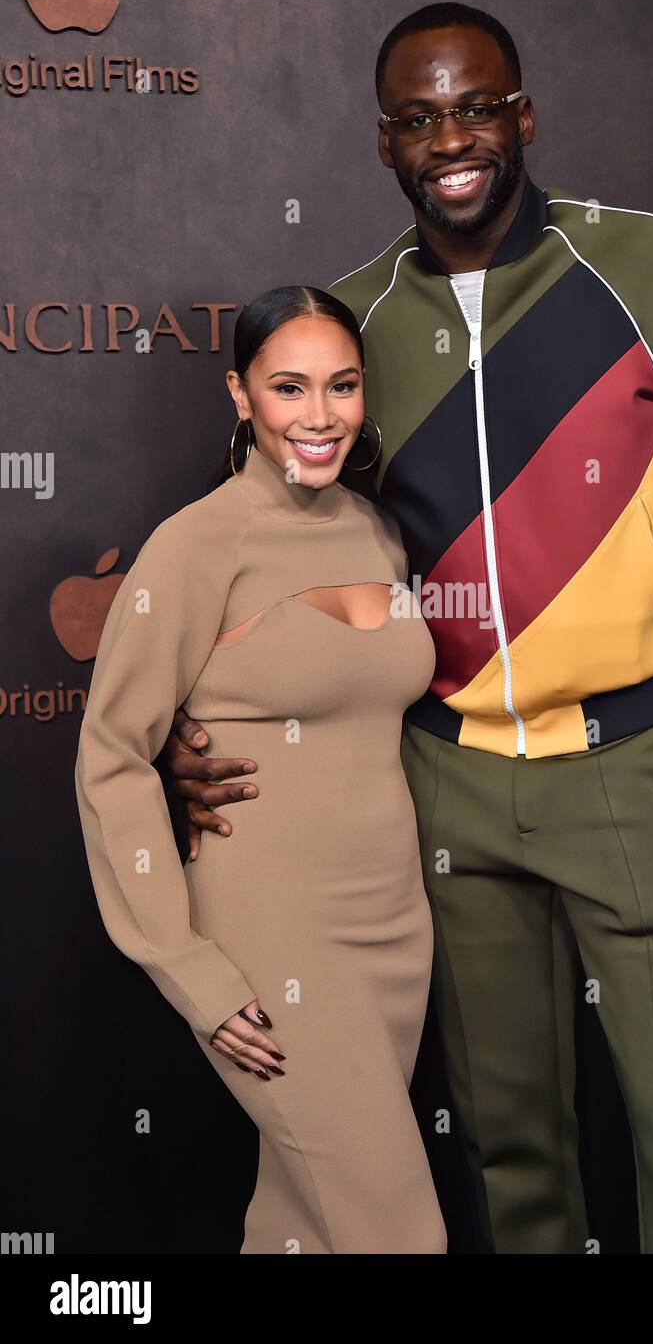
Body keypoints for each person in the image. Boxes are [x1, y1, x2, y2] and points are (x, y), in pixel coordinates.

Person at [164, 4, 653, 1254]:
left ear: (523, 116)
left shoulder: (645, 265)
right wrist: (190, 717)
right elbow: (253, 541)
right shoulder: (347, 328)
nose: (452, 139)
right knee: (509, 1149)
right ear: (384, 145)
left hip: (645, 772)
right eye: (420, 119)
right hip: (445, 788)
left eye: (477, 107)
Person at [75, 285, 447, 1255]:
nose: (319, 415)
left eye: (342, 386)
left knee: (303, 1224)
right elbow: (111, 757)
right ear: (240, 394)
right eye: (289, 387)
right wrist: (188, 966)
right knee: (395, 1232)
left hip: (395, 926)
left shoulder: (376, 530)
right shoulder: (195, 544)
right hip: (272, 937)